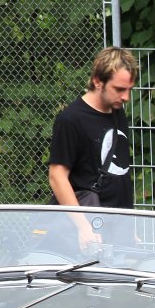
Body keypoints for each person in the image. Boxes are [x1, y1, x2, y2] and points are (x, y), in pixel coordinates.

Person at [48, 46, 139, 249]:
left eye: (129, 90)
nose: (126, 97)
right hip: (91, 230)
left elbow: (120, 171)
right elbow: (57, 176)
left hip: (120, 227)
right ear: (98, 81)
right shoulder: (71, 119)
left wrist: (129, 227)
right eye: (119, 89)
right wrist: (83, 227)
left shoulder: (117, 112)